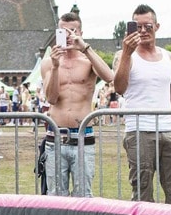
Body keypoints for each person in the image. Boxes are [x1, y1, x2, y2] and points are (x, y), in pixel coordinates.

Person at [112, 4, 171, 203]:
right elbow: (119, 88)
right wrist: (127, 53)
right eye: (137, 27)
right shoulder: (124, 56)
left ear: (157, 26)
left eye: (148, 26)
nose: (143, 31)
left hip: (169, 130)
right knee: (143, 189)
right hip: (139, 130)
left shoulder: (169, 57)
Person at [40, 11, 115, 196]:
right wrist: (56, 66)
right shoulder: (49, 63)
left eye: (72, 31)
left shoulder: (87, 61)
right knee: (56, 196)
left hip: (83, 137)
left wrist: (86, 49)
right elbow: (51, 98)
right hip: (56, 136)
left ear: (80, 32)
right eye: (62, 32)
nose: (67, 36)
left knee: (83, 196)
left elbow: (109, 77)